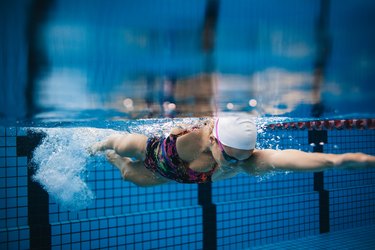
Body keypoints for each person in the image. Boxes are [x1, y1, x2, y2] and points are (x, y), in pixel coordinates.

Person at [90, 116, 375, 187]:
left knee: (128, 174)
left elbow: (328, 160)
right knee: (120, 144)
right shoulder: (197, 134)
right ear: (214, 140)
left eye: (245, 156)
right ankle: (97, 144)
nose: (236, 163)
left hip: (171, 174)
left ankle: (111, 158)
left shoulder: (247, 162)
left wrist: (347, 161)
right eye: (230, 156)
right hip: (154, 151)